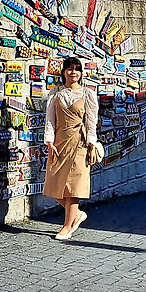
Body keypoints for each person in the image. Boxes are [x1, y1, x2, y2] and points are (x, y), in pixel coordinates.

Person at [44, 56, 99, 242]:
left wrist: (91, 145)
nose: (73, 72)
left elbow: (91, 121)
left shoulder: (87, 94)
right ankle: (77, 215)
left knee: (74, 186)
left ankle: (67, 226)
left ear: (81, 73)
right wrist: (49, 142)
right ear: (63, 72)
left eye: (76, 69)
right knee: (53, 184)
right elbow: (50, 120)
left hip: (79, 143)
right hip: (59, 143)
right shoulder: (55, 93)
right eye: (69, 69)